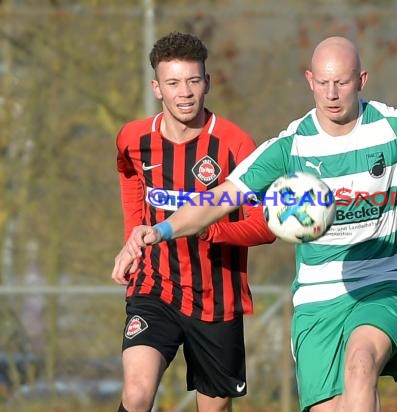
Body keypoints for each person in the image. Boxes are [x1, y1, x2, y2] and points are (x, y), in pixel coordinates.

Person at [112, 36, 397, 412]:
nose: (332, 93)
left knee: (360, 366)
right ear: (310, 80)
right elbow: (218, 199)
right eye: (323, 82)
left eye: (341, 82)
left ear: (361, 80)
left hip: (383, 279)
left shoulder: (396, 128)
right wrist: (160, 231)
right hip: (316, 296)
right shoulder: (291, 146)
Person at [112, 31, 275, 412]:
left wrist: (213, 228)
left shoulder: (236, 145)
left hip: (217, 300)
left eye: (193, 81)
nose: (184, 92)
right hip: (155, 288)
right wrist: (133, 238)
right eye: (173, 83)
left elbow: (266, 226)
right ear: (157, 88)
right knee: (136, 395)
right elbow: (130, 177)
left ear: (208, 83)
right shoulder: (134, 138)